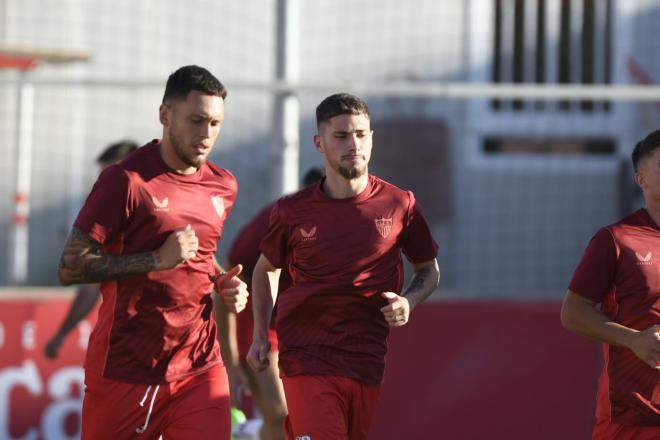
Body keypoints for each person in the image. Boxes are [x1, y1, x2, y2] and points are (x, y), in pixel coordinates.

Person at [57, 65, 249, 440]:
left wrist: (224, 281)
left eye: (215, 123)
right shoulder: (124, 181)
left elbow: (200, 254)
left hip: (199, 365)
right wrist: (154, 260)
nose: (206, 134)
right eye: (196, 120)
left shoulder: (223, 185)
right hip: (126, 368)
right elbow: (70, 267)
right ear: (165, 115)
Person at [246, 93, 440, 440]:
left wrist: (408, 302)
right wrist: (260, 335)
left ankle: (252, 434)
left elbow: (428, 269)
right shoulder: (292, 211)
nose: (354, 144)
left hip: (365, 359)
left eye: (361, 134)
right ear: (319, 143)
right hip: (305, 355)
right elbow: (265, 270)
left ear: (372, 137)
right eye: (341, 136)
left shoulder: (400, 204)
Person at [561, 130, 660, 439]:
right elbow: (573, 312)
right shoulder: (617, 239)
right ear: (640, 179)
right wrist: (634, 340)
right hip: (634, 414)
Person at [216, 167, 324, 440]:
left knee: (299, 421)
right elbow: (226, 285)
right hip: (257, 326)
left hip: (299, 333)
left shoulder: (346, 228)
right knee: (280, 414)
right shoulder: (275, 221)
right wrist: (231, 363)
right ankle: (243, 433)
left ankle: (246, 434)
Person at [44, 140, 139, 359]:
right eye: (103, 178)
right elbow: (89, 289)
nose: (106, 184)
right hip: (134, 340)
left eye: (113, 176)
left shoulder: (164, 211)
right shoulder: (109, 224)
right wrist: (61, 334)